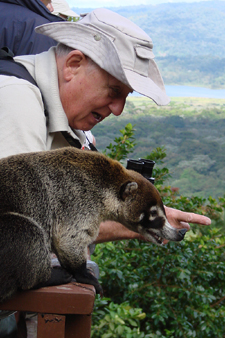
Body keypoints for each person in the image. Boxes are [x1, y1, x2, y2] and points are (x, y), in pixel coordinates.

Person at [0, 7, 210, 240]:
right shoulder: (16, 99)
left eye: (126, 96)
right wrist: (138, 222)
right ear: (73, 65)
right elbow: (23, 225)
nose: (118, 109)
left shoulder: (67, 119)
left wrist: (144, 214)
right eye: (114, 90)